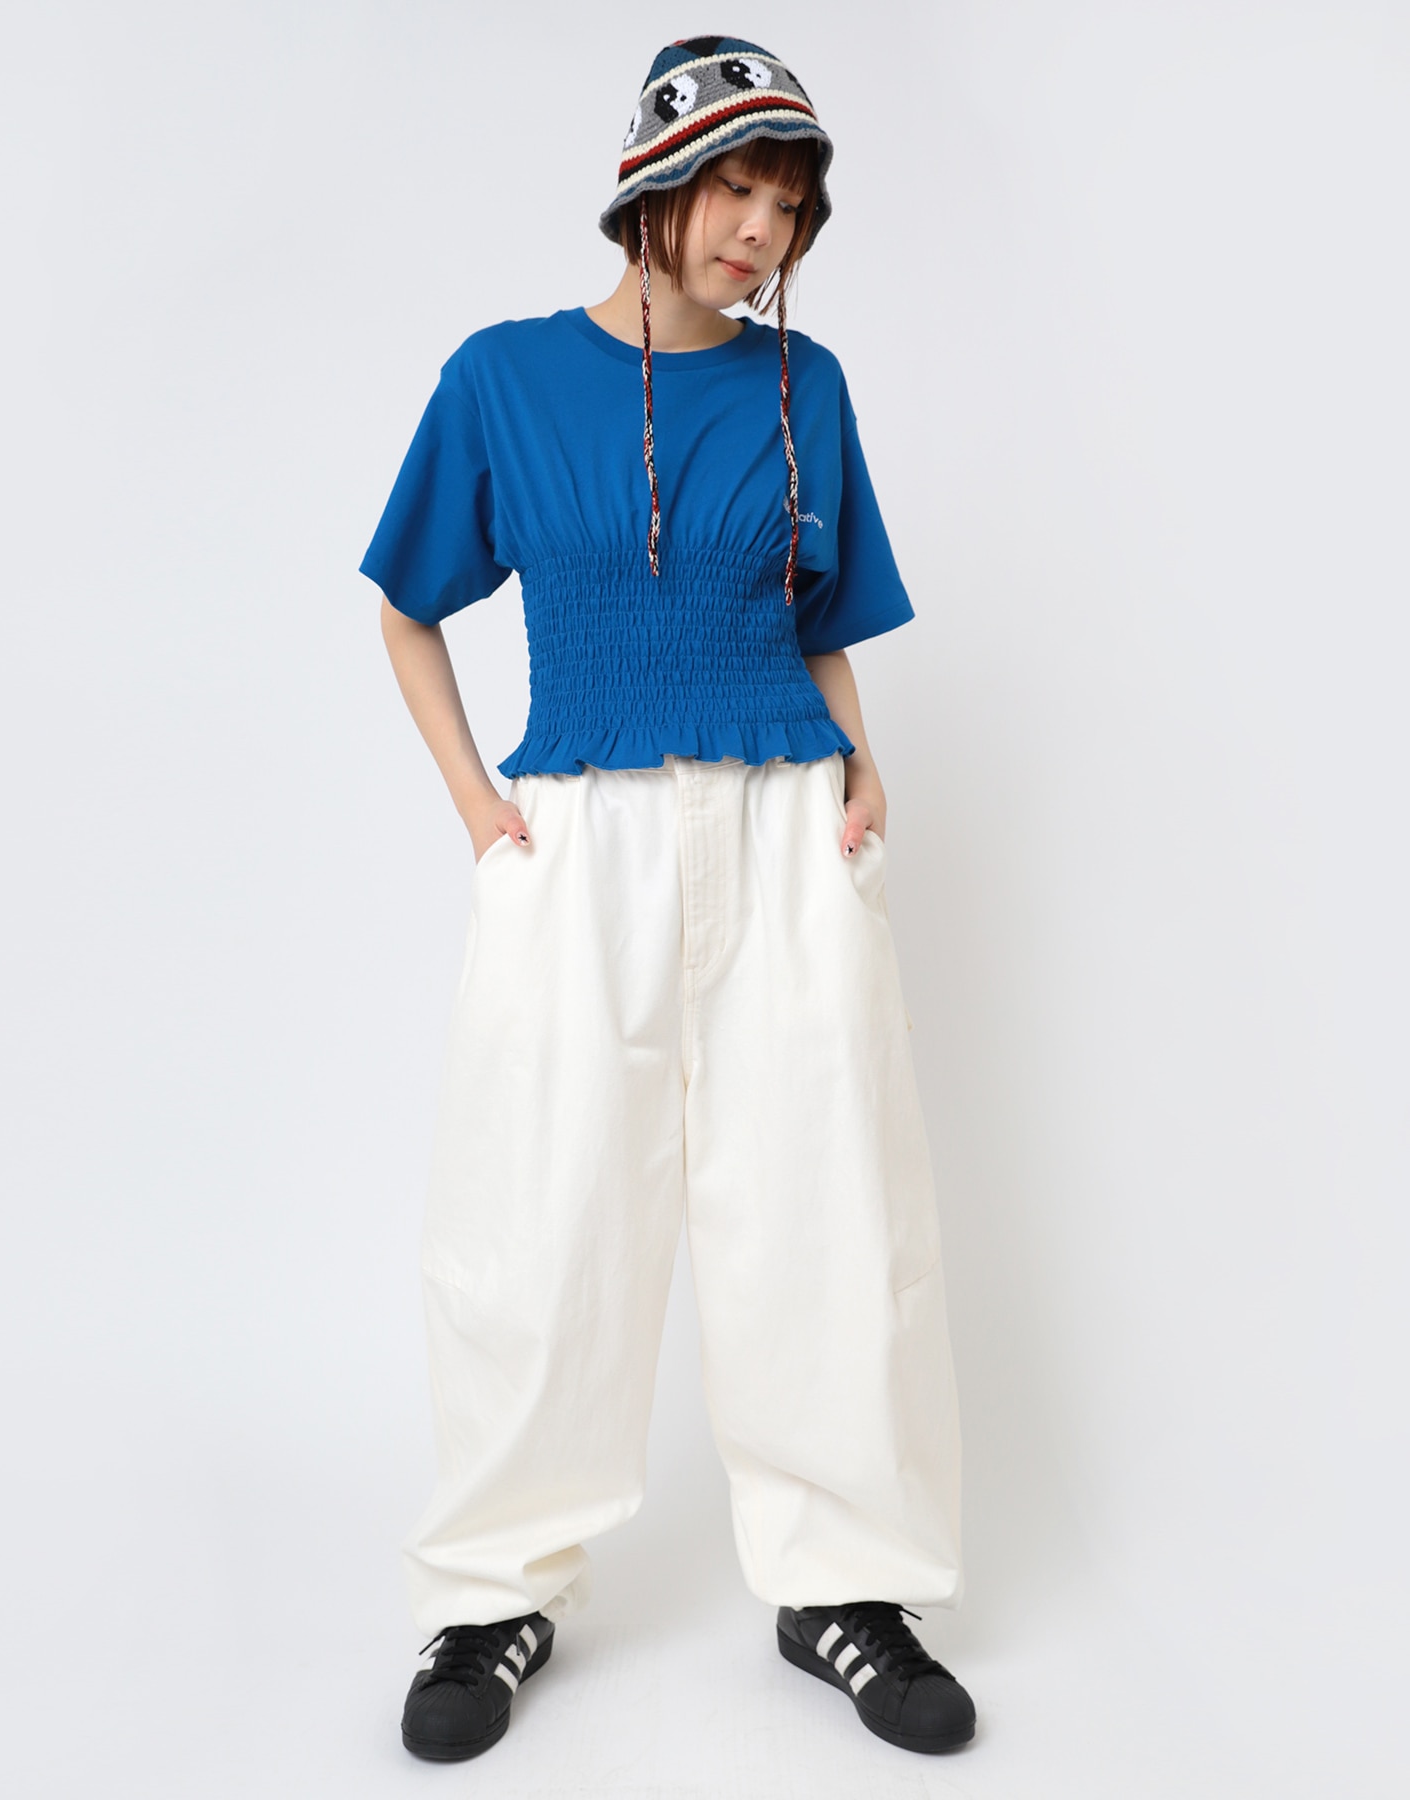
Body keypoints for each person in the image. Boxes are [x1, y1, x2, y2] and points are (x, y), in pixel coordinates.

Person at [361, 33, 977, 1765]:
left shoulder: (806, 386)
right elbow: (406, 604)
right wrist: (479, 810)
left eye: (790, 207)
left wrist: (863, 765)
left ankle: (847, 1585)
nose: (762, 231)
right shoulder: (503, 377)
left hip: (788, 824)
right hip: (582, 835)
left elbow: (821, 618)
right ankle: (490, 1594)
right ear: (657, 184)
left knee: (828, 1206)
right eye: (736, 190)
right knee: (538, 1212)